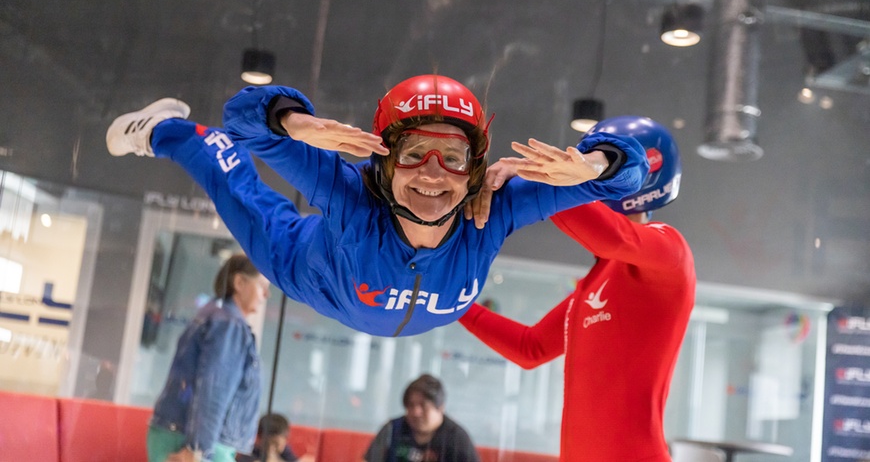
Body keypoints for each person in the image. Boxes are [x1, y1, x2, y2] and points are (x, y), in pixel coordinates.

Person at [106, 75, 648, 337]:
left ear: (476, 169)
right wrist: (293, 121)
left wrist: (594, 167)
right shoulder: (351, 195)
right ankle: (165, 129)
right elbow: (244, 121)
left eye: (453, 158)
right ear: (385, 163)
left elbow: (636, 170)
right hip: (306, 270)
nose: (434, 175)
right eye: (415, 153)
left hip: (370, 301)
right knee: (230, 177)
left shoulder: (492, 210)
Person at [460, 116, 696, 462]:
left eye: (594, 163)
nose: (582, 171)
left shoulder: (671, 253)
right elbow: (531, 348)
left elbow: (615, 237)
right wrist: (453, 302)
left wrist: (538, 179)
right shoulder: (597, 281)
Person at [147, 254, 271, 462]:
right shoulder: (228, 325)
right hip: (194, 443)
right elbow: (214, 392)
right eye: (261, 285)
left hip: (184, 436)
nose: (265, 294)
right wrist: (198, 451)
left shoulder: (216, 316)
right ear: (239, 282)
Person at [363, 374, 480, 462]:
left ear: (440, 408)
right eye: (411, 405)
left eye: (423, 406)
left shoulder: (457, 439)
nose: (416, 412)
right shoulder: (393, 429)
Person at [236, 413, 315, 462]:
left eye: (276, 444)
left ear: (286, 440)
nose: (271, 448)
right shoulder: (251, 451)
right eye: (267, 444)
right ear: (259, 439)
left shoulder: (286, 451)